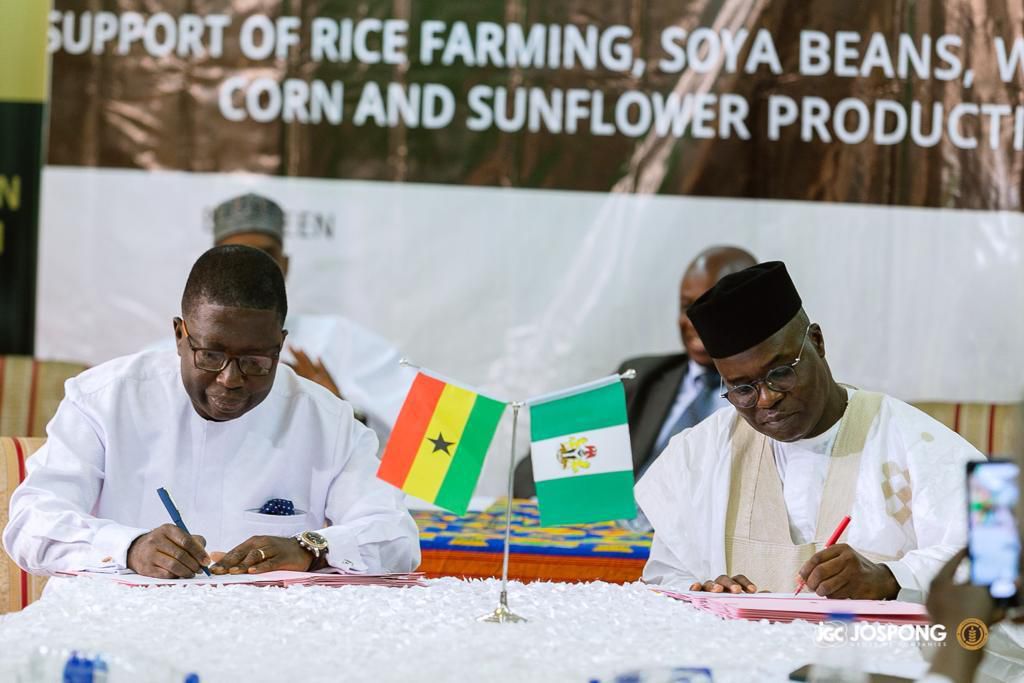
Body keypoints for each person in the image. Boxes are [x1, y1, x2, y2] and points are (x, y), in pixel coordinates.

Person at [3, 245, 420, 578]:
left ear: (281, 343)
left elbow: (396, 538)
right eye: (211, 355)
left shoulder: (324, 420)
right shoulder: (105, 399)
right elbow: (30, 525)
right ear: (180, 335)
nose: (230, 380)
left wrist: (309, 548)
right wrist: (128, 548)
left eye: (256, 362)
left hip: (267, 638)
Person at [636, 261, 983, 599]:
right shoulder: (701, 453)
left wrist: (892, 579)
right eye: (742, 389)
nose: (767, 399)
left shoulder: (917, 443)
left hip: (869, 653)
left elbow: (998, 566)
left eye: (781, 372)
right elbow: (666, 579)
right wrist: (709, 592)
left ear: (817, 342)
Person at [512, 246, 756, 499]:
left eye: (710, 307)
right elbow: (534, 469)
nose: (694, 321)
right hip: (622, 531)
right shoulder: (639, 377)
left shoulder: (771, 396)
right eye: (686, 307)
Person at [202, 192, 413, 450]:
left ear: (285, 264)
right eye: (238, 255)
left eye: (265, 255)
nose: (253, 268)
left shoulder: (339, 341)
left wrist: (339, 410)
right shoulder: (172, 356)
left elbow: (432, 447)